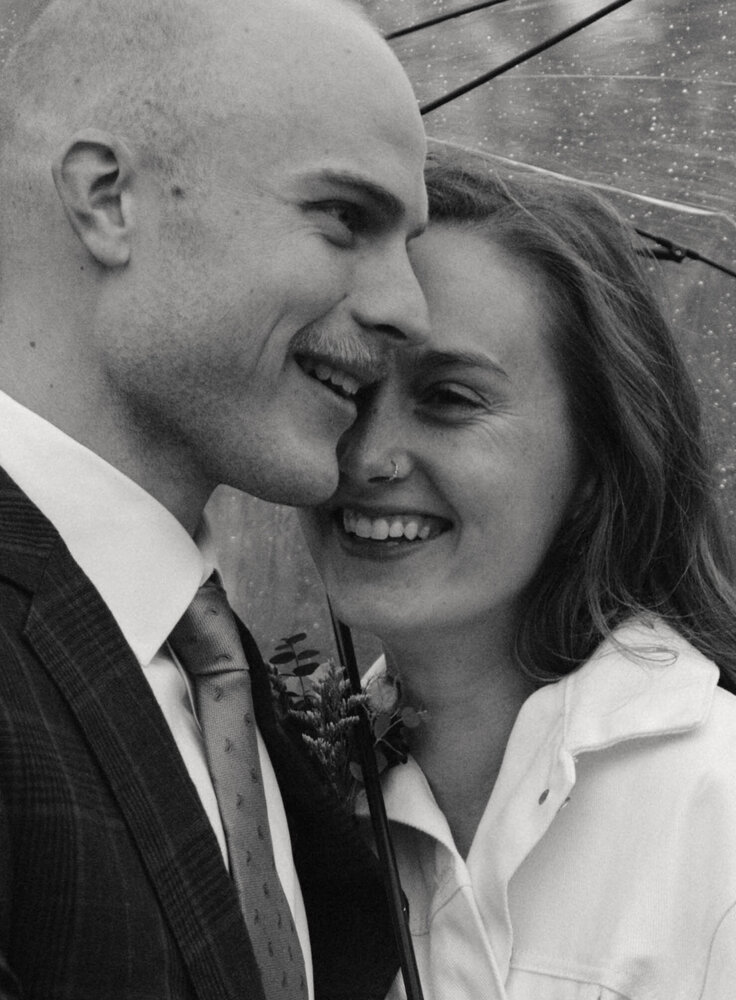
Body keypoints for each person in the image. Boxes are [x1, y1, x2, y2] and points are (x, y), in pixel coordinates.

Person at [0, 0, 430, 996]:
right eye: (344, 220)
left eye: (407, 241)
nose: (407, 307)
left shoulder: (230, 677)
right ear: (109, 198)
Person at [298, 149, 736, 999]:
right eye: (347, 385)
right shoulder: (282, 804)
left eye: (450, 398)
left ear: (596, 464)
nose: (369, 458)